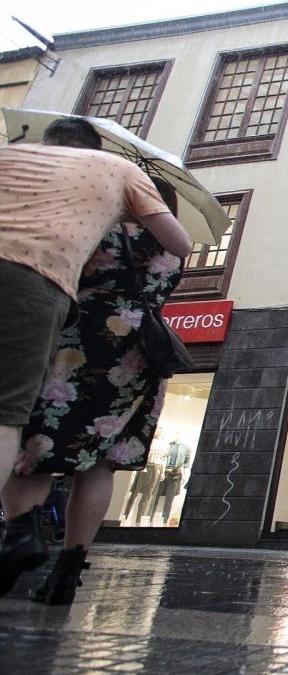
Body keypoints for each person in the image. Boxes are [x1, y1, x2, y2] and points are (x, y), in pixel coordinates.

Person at [0, 119, 191, 599]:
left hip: (77, 343)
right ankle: (69, 571)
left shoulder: (100, 229)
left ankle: (19, 537)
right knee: (100, 462)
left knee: (37, 449)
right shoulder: (171, 247)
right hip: (138, 354)